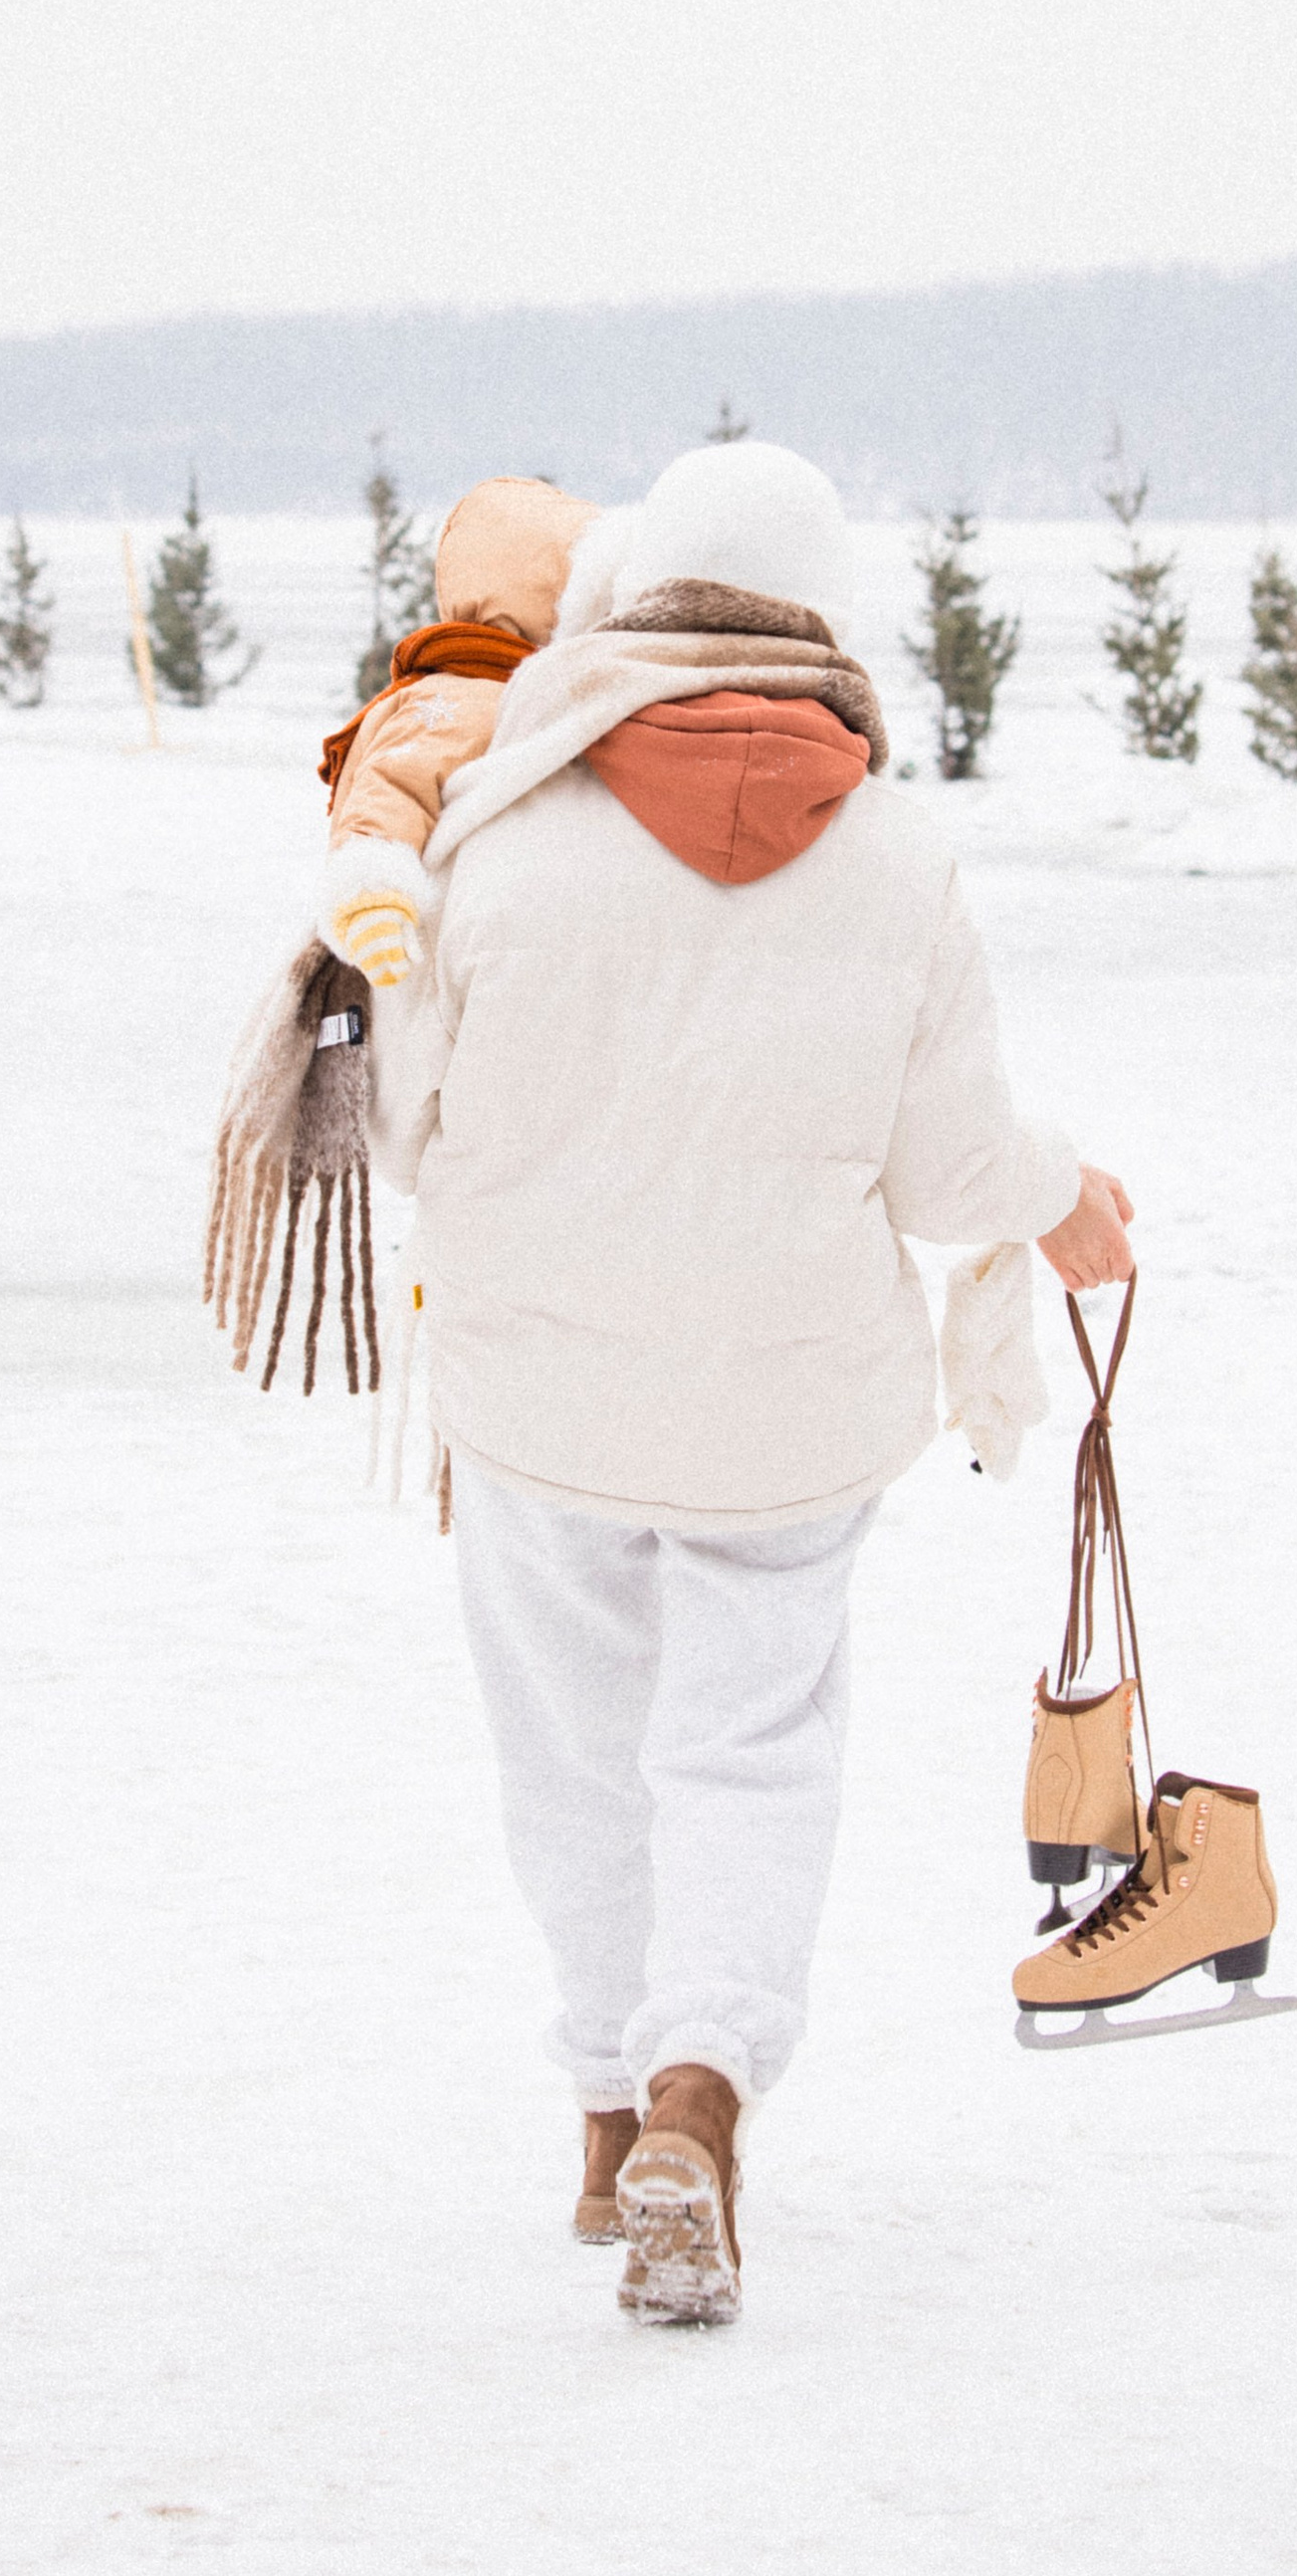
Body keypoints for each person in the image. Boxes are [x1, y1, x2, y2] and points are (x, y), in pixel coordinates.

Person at [370, 443, 1135, 2326]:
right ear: (823, 618)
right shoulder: (897, 857)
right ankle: (702, 2098)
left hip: (541, 1400)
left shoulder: (494, 829)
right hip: (789, 1424)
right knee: (747, 1757)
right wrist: (1069, 1199)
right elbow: (957, 1173)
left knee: (577, 1762)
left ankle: (605, 2112)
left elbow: (400, 1117)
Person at [315, 475, 598, 981]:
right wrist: (372, 896)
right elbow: (394, 783)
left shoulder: (506, 684)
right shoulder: (466, 695)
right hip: (420, 946)